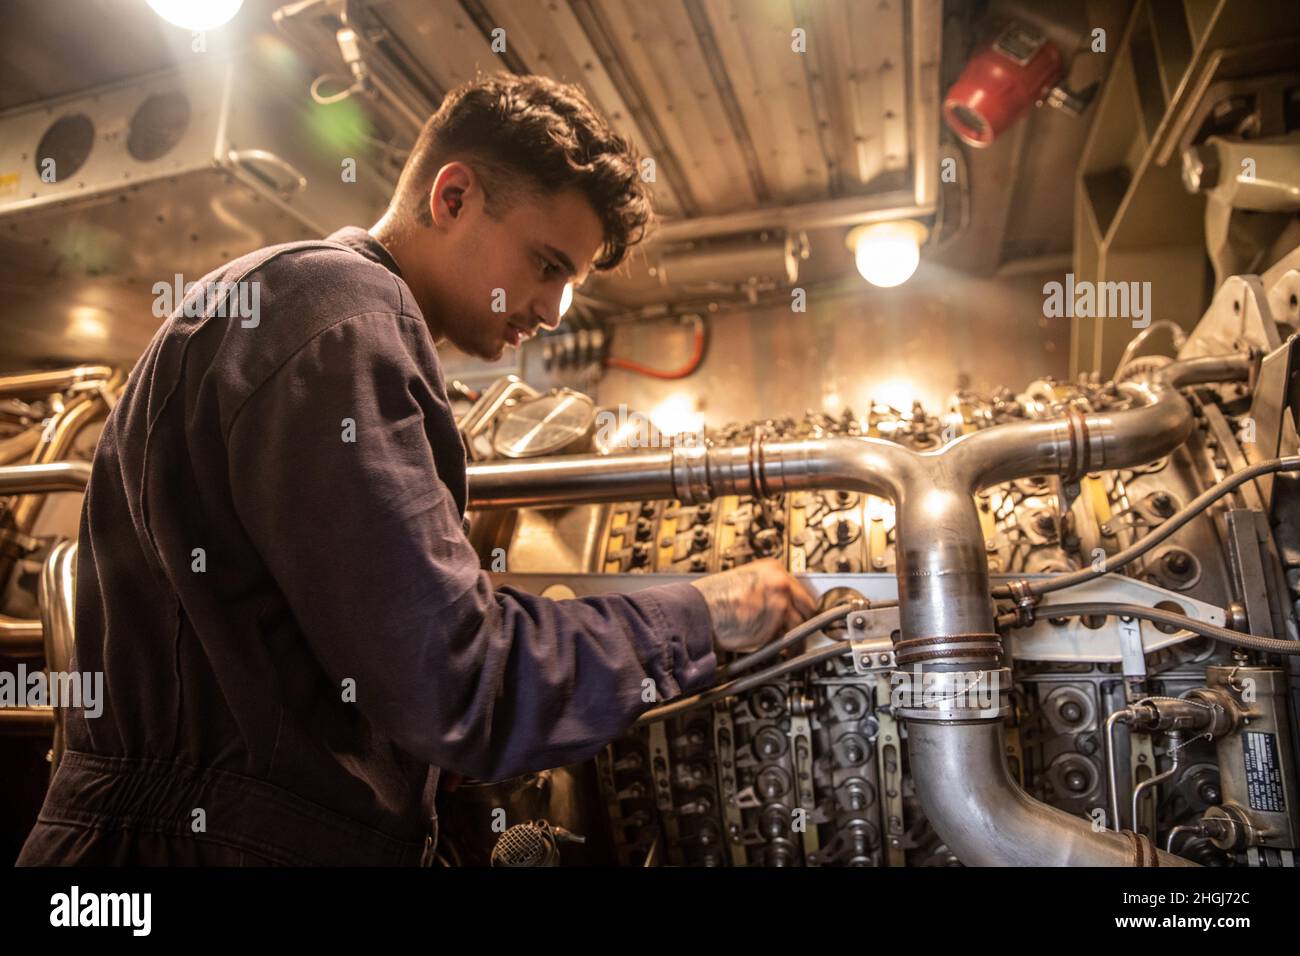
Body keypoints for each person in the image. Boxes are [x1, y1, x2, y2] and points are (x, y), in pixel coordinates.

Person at [16, 72, 816, 866]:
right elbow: (459, 682)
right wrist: (701, 615)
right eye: (546, 266)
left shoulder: (307, 307)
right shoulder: (343, 316)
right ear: (454, 196)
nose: (554, 311)